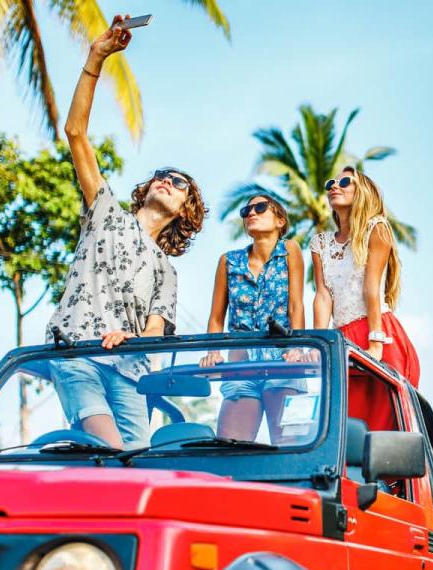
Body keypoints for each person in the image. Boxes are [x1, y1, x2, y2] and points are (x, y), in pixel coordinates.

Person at [45, 15, 207, 450]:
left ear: (183, 211)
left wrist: (132, 339)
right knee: (110, 450)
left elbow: (155, 332)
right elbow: (76, 133)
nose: (167, 182)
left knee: (137, 459)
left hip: (130, 374)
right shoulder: (105, 213)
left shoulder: (166, 272)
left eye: (179, 184)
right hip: (77, 352)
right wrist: (96, 57)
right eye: (162, 176)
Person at [201, 195, 305, 442]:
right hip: (241, 365)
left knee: (290, 448)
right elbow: (216, 317)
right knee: (230, 450)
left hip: (282, 360)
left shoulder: (290, 250)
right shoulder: (229, 261)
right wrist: (213, 352)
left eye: (260, 207)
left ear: (280, 220)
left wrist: (297, 347)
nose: (251, 213)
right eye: (246, 210)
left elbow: (295, 305)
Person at [311, 167, 420, 386]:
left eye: (344, 183)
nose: (334, 186)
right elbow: (323, 296)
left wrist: (376, 342)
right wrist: (319, 345)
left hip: (377, 331)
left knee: (386, 417)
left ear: (363, 192)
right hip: (342, 340)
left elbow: (371, 286)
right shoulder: (320, 243)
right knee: (345, 415)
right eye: (331, 183)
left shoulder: (377, 228)